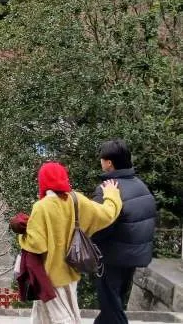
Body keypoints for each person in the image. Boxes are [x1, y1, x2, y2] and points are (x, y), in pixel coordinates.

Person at [18, 162, 122, 324]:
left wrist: (22, 234)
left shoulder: (41, 207)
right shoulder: (76, 200)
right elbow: (107, 215)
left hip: (49, 277)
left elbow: (36, 245)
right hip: (72, 270)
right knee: (60, 315)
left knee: (60, 319)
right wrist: (111, 194)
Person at [91, 139, 157, 324]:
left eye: (102, 159)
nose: (101, 162)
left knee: (111, 307)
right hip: (134, 256)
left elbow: (98, 224)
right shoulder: (140, 185)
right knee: (113, 303)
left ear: (109, 163)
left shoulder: (108, 189)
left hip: (111, 256)